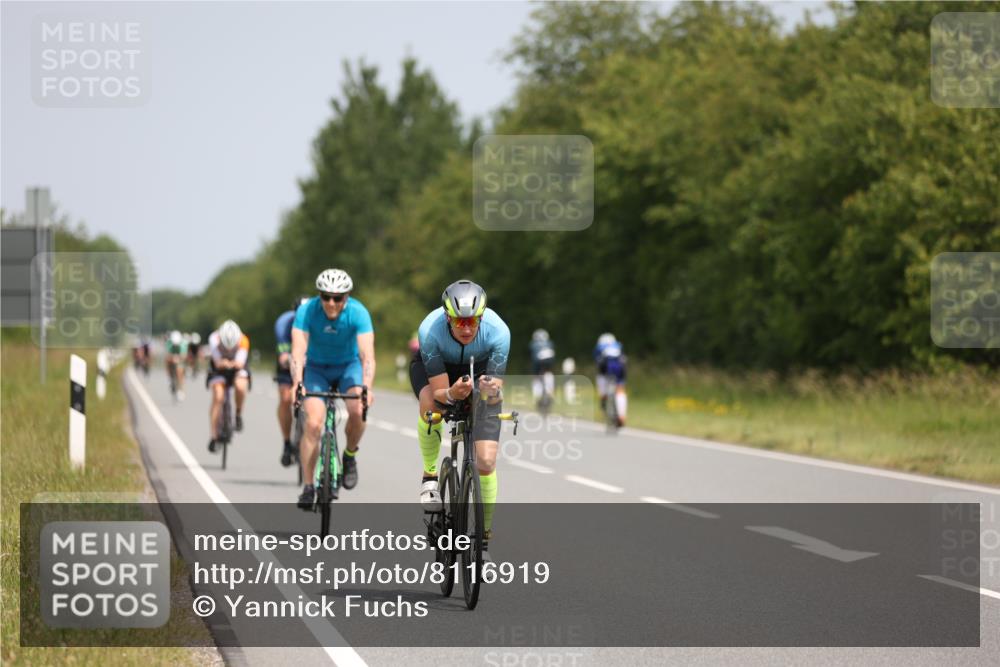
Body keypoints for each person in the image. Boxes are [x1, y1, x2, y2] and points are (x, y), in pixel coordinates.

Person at [410, 279, 509, 544]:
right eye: (459, 322)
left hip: (481, 368)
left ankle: (484, 537)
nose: (467, 328)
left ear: (482, 315)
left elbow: (495, 389)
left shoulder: (499, 332)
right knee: (432, 403)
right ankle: (430, 474)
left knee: (486, 461)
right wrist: (453, 394)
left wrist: (488, 390)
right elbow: (442, 392)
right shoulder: (430, 331)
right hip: (439, 371)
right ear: (447, 317)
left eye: (473, 321)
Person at [291, 269, 375, 509]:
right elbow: (297, 351)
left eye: (337, 298)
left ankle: (349, 456)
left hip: (349, 366)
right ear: (319, 295)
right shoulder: (307, 311)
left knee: (358, 409)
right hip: (317, 368)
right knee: (314, 423)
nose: (331, 303)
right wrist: (297, 382)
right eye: (326, 296)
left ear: (346, 297)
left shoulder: (358, 313)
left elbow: (367, 356)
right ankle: (308, 486)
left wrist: (367, 387)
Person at [275, 297, 310, 467]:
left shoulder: (317, 320)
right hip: (289, 361)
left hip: (311, 363)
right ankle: (287, 442)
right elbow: (283, 357)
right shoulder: (283, 323)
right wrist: (292, 361)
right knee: (285, 398)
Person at [206, 320, 251, 453]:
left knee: (240, 386)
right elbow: (218, 361)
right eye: (226, 346)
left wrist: (233, 364)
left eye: (232, 346)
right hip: (218, 369)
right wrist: (223, 363)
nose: (230, 349)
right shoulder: (213, 338)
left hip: (236, 367)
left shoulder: (244, 340)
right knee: (218, 397)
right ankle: (214, 436)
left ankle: (238, 414)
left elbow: (240, 362)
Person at [594, 332, 627, 427]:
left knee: (603, 390)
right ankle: (622, 416)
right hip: (620, 367)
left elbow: (597, 362)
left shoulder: (599, 347)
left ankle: (603, 401)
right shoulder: (618, 345)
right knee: (620, 389)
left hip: (604, 370)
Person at [530, 328, 556, 409]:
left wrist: (535, 373)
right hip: (550, 360)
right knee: (549, 373)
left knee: (536, 379)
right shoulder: (550, 343)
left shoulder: (533, 344)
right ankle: (551, 393)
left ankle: (537, 397)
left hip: (538, 361)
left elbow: (533, 359)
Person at [165, 330, 187, 400]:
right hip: (172, 357)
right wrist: (172, 358)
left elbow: (184, 356)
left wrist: (178, 358)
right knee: (167, 362)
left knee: (180, 371)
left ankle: (180, 390)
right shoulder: (169, 343)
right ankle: (169, 376)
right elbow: (167, 355)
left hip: (179, 358)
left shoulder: (183, 343)